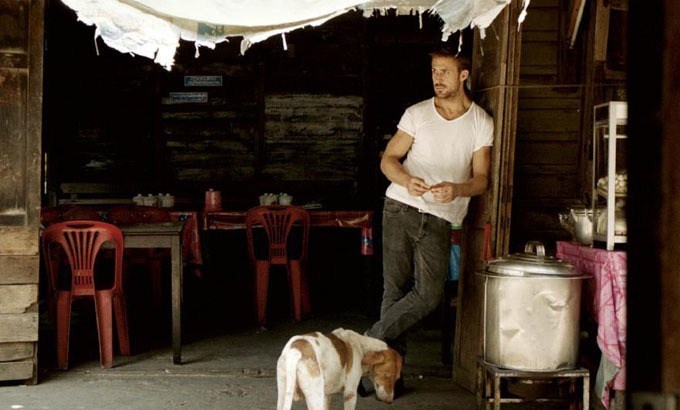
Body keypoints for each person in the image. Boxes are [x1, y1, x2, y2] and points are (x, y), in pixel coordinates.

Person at [363, 45, 494, 395]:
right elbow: (388, 159)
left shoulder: (481, 122)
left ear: (463, 75)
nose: (437, 78)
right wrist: (407, 180)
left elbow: (481, 179)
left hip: (439, 217)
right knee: (393, 291)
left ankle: (368, 343)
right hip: (400, 207)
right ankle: (390, 377)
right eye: (434, 71)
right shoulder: (417, 114)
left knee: (428, 295)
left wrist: (458, 189)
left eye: (445, 71)